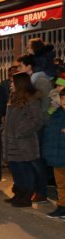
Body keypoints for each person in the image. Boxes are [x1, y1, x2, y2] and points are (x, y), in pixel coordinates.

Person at [3, 72, 46, 208]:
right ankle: (18, 194)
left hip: (24, 143)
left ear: (19, 84)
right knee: (16, 170)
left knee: (24, 171)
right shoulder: (14, 98)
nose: (10, 84)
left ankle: (26, 197)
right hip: (12, 142)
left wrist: (20, 131)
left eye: (12, 82)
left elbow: (38, 120)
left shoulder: (31, 100)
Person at [44, 88, 65, 219]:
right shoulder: (57, 114)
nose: (64, 101)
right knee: (61, 184)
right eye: (63, 98)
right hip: (57, 155)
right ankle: (62, 207)